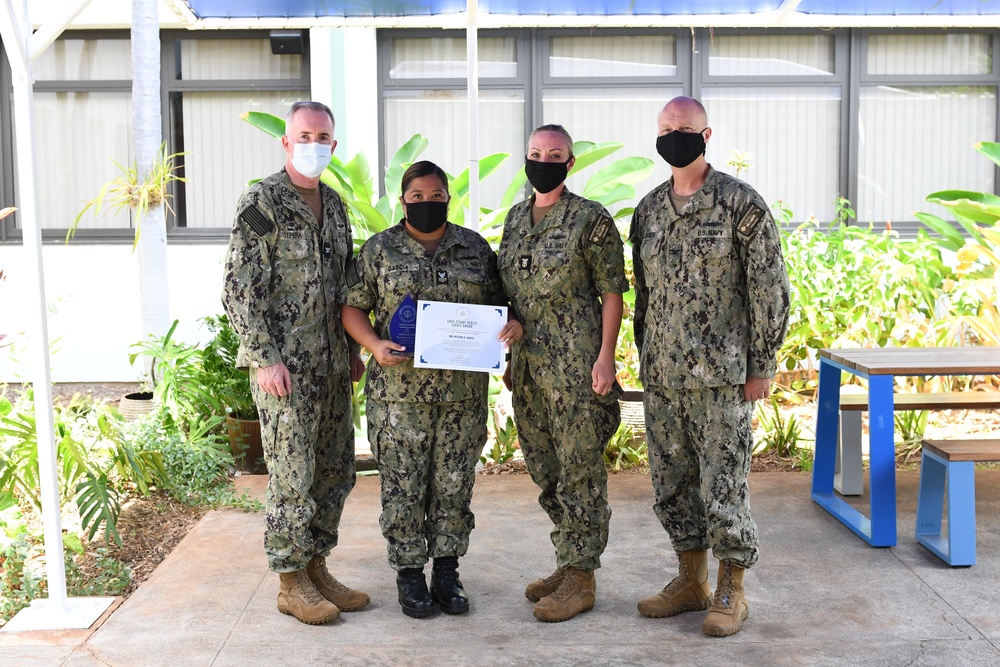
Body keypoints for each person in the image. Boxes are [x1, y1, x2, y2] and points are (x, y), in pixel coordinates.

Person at [630, 96, 791, 637]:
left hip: (721, 375)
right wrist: (643, 355)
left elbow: (769, 288)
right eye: (666, 128)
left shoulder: (740, 204)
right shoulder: (649, 210)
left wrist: (761, 363)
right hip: (663, 375)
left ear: (706, 134)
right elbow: (645, 294)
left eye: (685, 128)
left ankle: (732, 589)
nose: (675, 135)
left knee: (723, 484)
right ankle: (690, 579)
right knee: (671, 483)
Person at [341, 160, 522, 619]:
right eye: (416, 197)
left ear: (448, 198)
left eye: (436, 196)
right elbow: (351, 309)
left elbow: (502, 305)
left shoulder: (474, 248)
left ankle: (446, 571)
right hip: (398, 397)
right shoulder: (380, 250)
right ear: (403, 201)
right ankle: (408, 574)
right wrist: (374, 344)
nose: (426, 203)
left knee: (453, 486)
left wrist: (510, 327)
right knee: (403, 488)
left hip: (462, 397)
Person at [222, 101, 369, 626]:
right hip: (285, 370)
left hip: (332, 368)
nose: (314, 144)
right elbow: (239, 289)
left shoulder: (334, 203)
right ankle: (290, 582)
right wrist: (263, 359)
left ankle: (316, 566)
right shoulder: (262, 202)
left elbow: (346, 288)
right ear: (286, 142)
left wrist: (352, 349)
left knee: (334, 472)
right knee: (291, 475)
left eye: (323, 136)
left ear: (333, 144)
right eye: (304, 135)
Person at [497, 124, 628, 623]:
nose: (543, 160)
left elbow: (612, 291)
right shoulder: (514, 219)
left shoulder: (590, 220)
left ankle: (582, 575)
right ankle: (568, 558)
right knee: (546, 470)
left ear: (570, 163)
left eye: (554, 154)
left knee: (581, 472)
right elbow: (510, 294)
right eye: (534, 153)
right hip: (529, 370)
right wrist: (510, 354)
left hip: (576, 368)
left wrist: (606, 357)